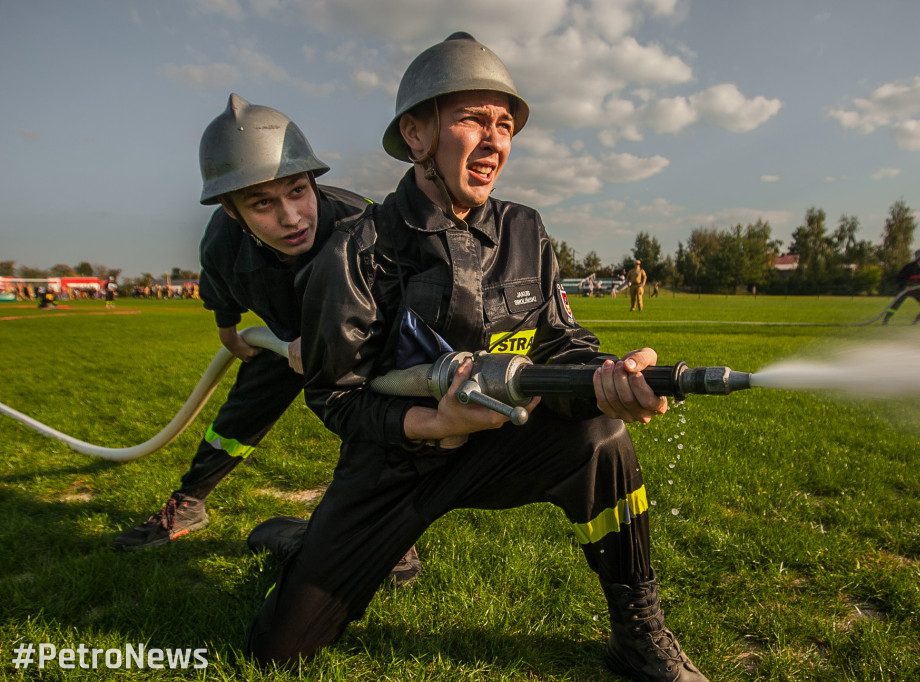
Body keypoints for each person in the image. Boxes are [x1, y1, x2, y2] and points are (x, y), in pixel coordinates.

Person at [245, 33, 708, 682]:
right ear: (416, 134)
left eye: (505, 124)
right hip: (394, 468)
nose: (495, 140)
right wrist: (430, 424)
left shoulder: (525, 231)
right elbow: (335, 395)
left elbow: (561, 343)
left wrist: (607, 376)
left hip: (497, 448)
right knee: (276, 652)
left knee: (603, 440)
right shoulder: (357, 249)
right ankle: (303, 541)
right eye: (471, 120)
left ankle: (639, 631)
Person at [112, 94, 420, 582]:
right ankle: (189, 503)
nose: (292, 217)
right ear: (231, 211)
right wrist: (231, 333)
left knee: (373, 422)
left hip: (362, 345)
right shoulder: (221, 240)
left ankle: (390, 533)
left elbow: (402, 308)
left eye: (298, 191)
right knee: (240, 414)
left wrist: (328, 340)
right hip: (281, 340)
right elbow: (219, 294)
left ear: (312, 180)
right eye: (262, 203)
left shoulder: (361, 223)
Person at [883, 249, 920, 325]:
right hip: (905, 289)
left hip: (917, 289)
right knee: (896, 305)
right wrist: (905, 286)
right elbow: (899, 278)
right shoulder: (909, 267)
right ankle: (886, 320)